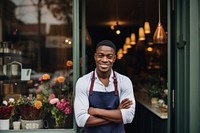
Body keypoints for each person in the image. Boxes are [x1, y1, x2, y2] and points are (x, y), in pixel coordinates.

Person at [74, 40, 136, 133]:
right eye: (100, 55)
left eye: (109, 56)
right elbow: (81, 120)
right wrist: (117, 113)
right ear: (95, 57)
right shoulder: (83, 82)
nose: (104, 60)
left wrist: (95, 111)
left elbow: (128, 117)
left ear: (114, 58)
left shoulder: (124, 81)